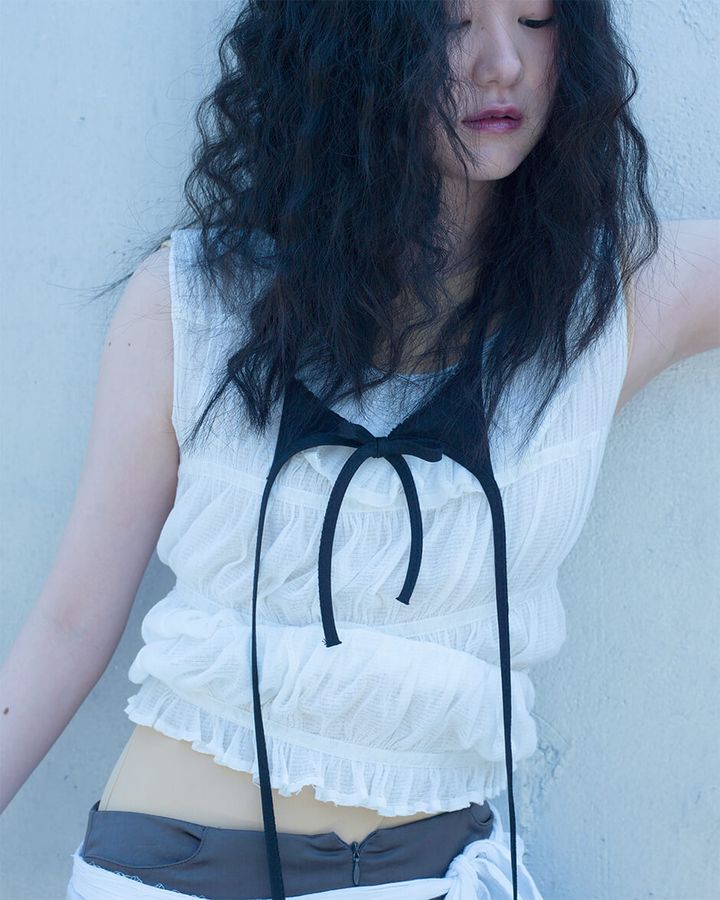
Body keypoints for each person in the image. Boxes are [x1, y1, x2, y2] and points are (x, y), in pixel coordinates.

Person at [1, 1, 717, 898]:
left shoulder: (599, 305)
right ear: (355, 42)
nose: (501, 62)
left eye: (534, 17)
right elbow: (70, 623)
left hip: (430, 878)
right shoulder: (196, 303)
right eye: (452, 20)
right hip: (169, 876)